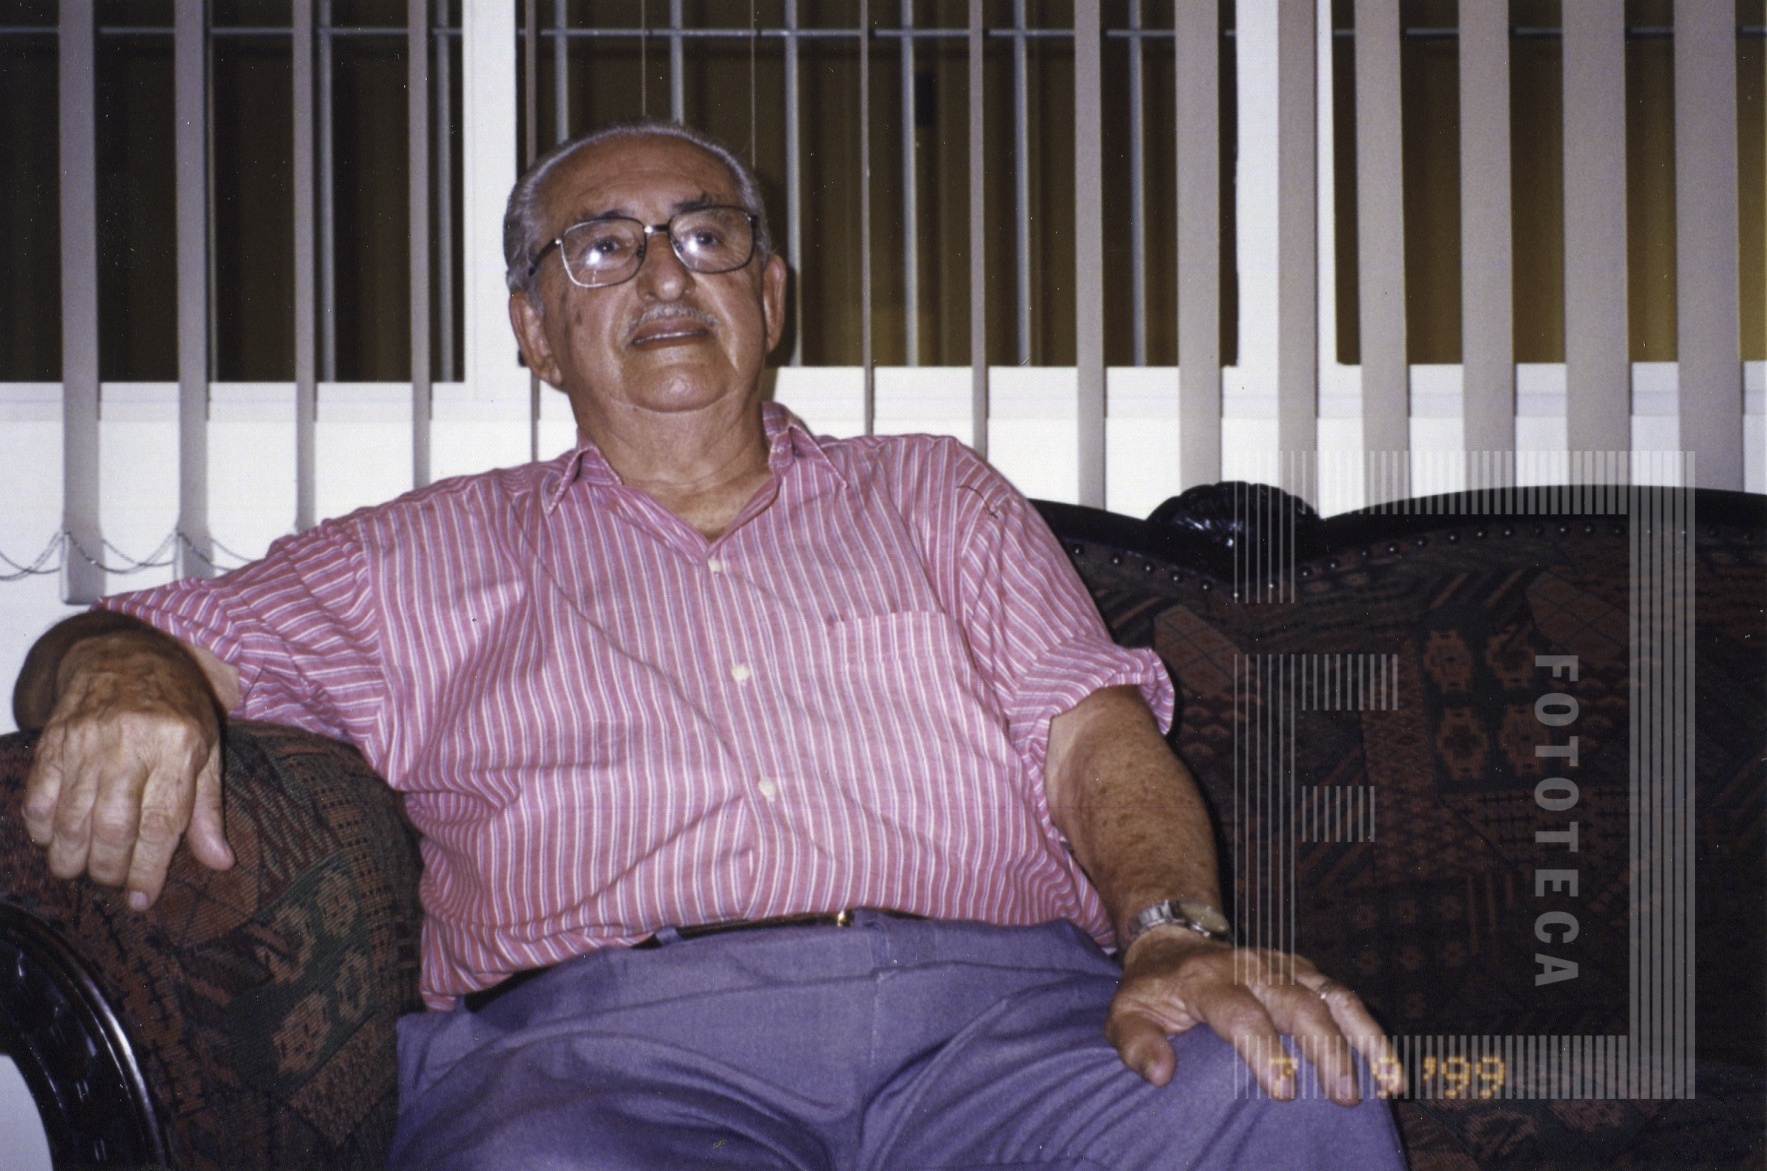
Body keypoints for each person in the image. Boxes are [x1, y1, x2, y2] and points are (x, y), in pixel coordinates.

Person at [14, 119, 1406, 1169]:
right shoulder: (412, 557)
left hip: (1005, 1032)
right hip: (601, 1062)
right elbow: (125, 640)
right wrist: (125, 674)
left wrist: (1170, 941)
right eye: (603, 246)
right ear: (535, 330)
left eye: (706, 235)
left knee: (1281, 1086)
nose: (665, 273)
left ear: (770, 295)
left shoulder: (933, 493)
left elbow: (1092, 733)